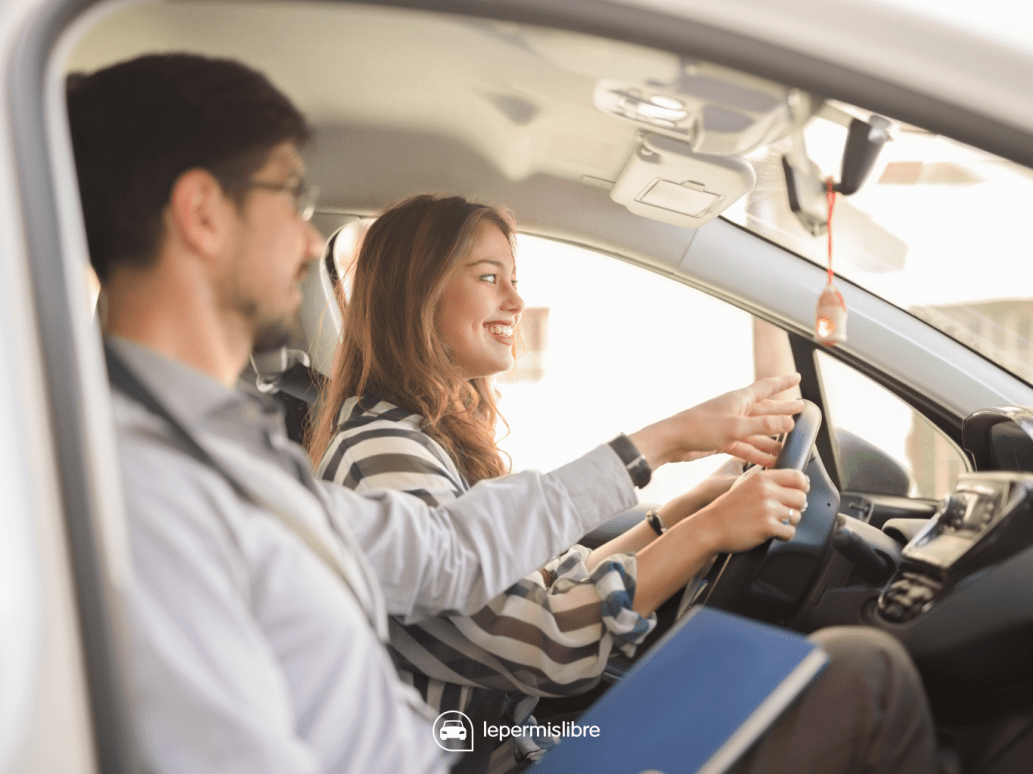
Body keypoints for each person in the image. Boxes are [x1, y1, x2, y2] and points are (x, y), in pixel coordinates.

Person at [65, 52, 846, 774]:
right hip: (481, 749)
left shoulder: (222, 445)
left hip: (479, 745)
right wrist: (685, 493)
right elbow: (522, 633)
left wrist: (671, 497)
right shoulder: (147, 481)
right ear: (203, 212)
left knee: (828, 679)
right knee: (856, 682)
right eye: (287, 196)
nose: (309, 243)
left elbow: (447, 555)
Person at [309, 194, 939, 774]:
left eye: (514, 278)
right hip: (484, 751)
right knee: (864, 671)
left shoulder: (416, 440)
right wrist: (709, 526)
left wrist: (683, 515)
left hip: (513, 743)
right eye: (488, 277)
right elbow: (542, 640)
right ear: (416, 292)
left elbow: (535, 590)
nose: (515, 302)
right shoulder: (381, 458)